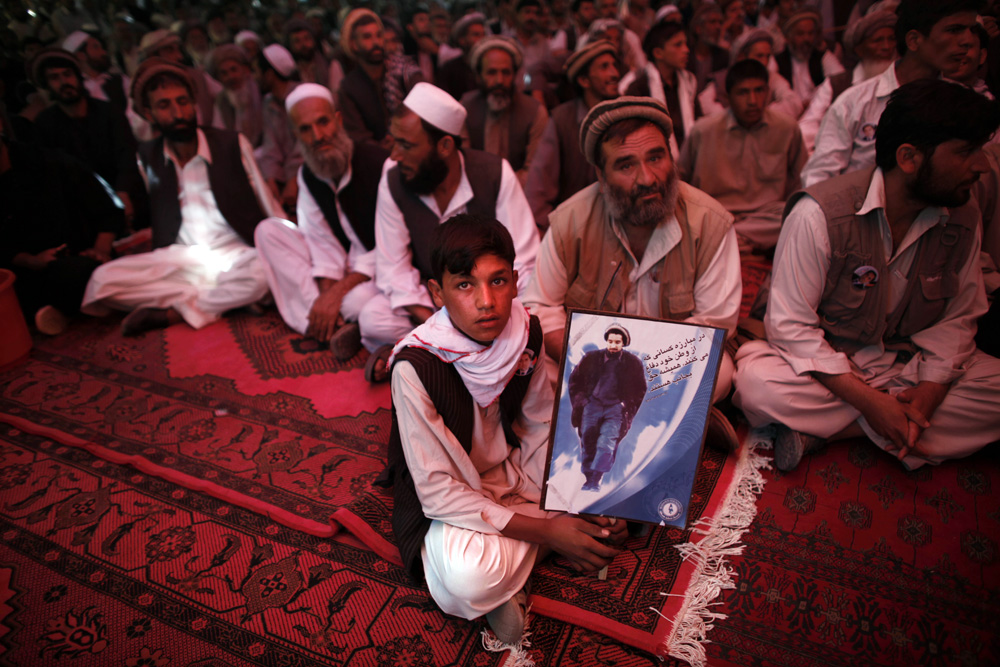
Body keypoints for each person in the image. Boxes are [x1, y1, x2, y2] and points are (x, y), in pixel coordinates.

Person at [376, 214, 627, 647]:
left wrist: (575, 499)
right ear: (437, 292)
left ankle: (523, 563)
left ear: (515, 280)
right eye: (465, 285)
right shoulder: (415, 367)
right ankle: (540, 552)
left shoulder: (524, 331)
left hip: (513, 475)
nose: (487, 302)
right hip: (453, 496)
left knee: (601, 507)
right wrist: (550, 531)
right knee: (466, 579)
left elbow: (538, 428)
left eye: (498, 282)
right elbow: (437, 492)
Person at [733, 79, 1000, 472]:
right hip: (836, 363)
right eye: (965, 151)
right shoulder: (820, 214)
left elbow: (958, 319)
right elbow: (791, 328)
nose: (982, 165)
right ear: (909, 157)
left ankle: (834, 432)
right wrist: (870, 402)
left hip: (908, 361)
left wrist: (929, 391)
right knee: (757, 384)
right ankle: (896, 426)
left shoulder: (963, 216)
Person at [523, 97, 740, 400]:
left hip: (666, 365)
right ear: (601, 175)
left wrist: (642, 369)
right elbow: (540, 307)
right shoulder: (569, 222)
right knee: (529, 367)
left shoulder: (709, 222)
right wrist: (587, 360)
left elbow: (714, 322)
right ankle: (681, 418)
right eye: (626, 165)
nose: (648, 178)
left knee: (720, 372)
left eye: (656, 158)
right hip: (591, 361)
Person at [81, 58, 284, 336]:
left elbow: (267, 204)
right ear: (149, 114)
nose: (178, 113)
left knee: (264, 272)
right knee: (101, 281)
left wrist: (287, 244)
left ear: (194, 104)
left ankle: (175, 312)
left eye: (183, 101)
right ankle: (225, 300)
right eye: (164, 105)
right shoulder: (147, 156)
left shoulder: (232, 144)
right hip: (182, 259)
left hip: (238, 254)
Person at [360, 82, 539, 380]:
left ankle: (419, 353)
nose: (394, 155)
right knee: (372, 317)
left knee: (532, 318)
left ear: (444, 146)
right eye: (394, 142)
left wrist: (481, 310)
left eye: (406, 145)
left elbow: (525, 261)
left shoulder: (495, 173)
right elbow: (393, 267)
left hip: (490, 303)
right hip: (434, 301)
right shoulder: (393, 181)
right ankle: (458, 351)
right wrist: (444, 318)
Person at [254, 84, 387, 360]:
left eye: (323, 122)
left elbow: (392, 245)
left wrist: (335, 295)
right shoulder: (308, 175)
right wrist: (327, 296)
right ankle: (332, 324)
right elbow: (319, 241)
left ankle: (325, 322)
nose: (317, 136)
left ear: (337, 120)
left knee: (357, 303)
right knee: (268, 231)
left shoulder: (378, 165)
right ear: (296, 135)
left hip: (380, 269)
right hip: (343, 271)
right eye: (305, 129)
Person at [801, 0, 979, 187]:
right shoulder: (853, 102)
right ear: (913, 40)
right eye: (954, 30)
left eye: (972, 30)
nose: (968, 41)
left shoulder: (967, 104)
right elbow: (818, 178)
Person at [0, 104, 123, 335]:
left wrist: (100, 249)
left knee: (84, 272)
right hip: (26, 269)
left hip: (78, 257)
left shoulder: (47, 162)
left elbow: (108, 207)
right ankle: (60, 308)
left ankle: (53, 310)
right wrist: (30, 260)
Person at [678, 59, 807, 254]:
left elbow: (801, 181)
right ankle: (737, 241)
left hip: (766, 217)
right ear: (728, 97)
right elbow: (680, 181)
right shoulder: (703, 131)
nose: (753, 100)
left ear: (768, 92)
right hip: (715, 214)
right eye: (743, 92)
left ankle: (729, 240)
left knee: (798, 214)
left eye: (759, 90)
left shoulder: (787, 128)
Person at [29, 47, 145, 230]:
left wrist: (123, 192)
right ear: (47, 85)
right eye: (54, 78)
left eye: (67, 74)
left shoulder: (108, 112)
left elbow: (127, 155)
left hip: (126, 197)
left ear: (77, 76)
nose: (63, 82)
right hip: (85, 212)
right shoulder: (45, 124)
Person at [525, 40, 620, 232]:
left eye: (613, 65)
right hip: (576, 227)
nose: (614, 73)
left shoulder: (627, 113)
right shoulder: (562, 120)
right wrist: (552, 232)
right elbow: (539, 187)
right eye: (604, 67)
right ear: (584, 81)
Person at [798, 9, 896, 152]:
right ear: (859, 49)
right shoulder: (838, 85)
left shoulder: (903, 82)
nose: (887, 47)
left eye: (891, 39)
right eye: (878, 40)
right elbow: (808, 127)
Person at [461, 36, 548, 185]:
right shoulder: (465, 108)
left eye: (506, 72)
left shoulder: (535, 112)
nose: (499, 81)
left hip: (520, 194)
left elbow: (533, 170)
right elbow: (461, 164)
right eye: (491, 73)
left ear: (514, 75)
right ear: (479, 76)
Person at [568, 323, 646, 491]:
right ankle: (588, 478)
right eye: (610, 341)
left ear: (623, 343)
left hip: (615, 409)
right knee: (588, 440)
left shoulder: (633, 363)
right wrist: (583, 401)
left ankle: (596, 479)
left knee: (605, 444)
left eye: (617, 342)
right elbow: (575, 381)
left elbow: (640, 388)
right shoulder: (590, 358)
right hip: (592, 406)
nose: (612, 345)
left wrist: (626, 405)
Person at [338, 8, 423, 149]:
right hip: (376, 158)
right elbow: (358, 136)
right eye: (367, 37)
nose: (376, 42)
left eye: (378, 35)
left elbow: (424, 109)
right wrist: (381, 147)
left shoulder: (405, 70)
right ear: (353, 44)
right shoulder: (349, 87)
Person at [622, 20, 700, 157]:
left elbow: (699, 125)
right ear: (658, 53)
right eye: (678, 45)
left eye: (686, 44)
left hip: (689, 158)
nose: (686, 50)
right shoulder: (639, 88)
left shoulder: (689, 83)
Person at [697, 28, 804, 122]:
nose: (765, 62)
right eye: (759, 56)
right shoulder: (724, 77)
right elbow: (704, 100)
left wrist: (762, 115)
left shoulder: (771, 77)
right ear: (741, 57)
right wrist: (730, 118)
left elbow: (794, 102)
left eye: (767, 56)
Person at [774, 8, 844, 107]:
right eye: (801, 34)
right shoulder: (777, 60)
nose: (807, 39)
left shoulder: (823, 57)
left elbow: (840, 80)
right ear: (789, 38)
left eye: (810, 33)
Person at [207, 44, 263, 148]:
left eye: (234, 70)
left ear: (245, 70)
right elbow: (220, 135)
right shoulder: (221, 101)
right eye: (224, 73)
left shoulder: (261, 91)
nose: (231, 77)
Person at [437, 12, 487, 100]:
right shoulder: (449, 69)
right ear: (462, 40)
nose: (482, 39)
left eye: (483, 34)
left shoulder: (491, 66)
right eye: (476, 35)